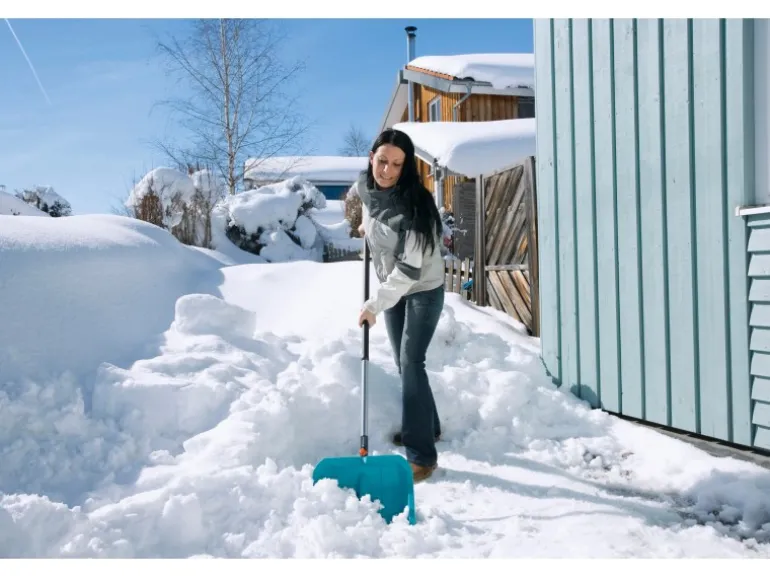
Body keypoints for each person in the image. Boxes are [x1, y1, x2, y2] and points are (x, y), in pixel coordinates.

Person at [353, 128, 445, 483]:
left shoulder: (416, 208)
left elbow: (409, 271)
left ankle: (422, 455)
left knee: (411, 360)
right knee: (403, 362)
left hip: (421, 288)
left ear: (406, 168)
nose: (387, 171)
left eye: (396, 164)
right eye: (382, 161)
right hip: (394, 287)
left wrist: (374, 305)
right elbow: (370, 216)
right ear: (372, 156)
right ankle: (429, 426)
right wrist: (367, 229)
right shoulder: (366, 189)